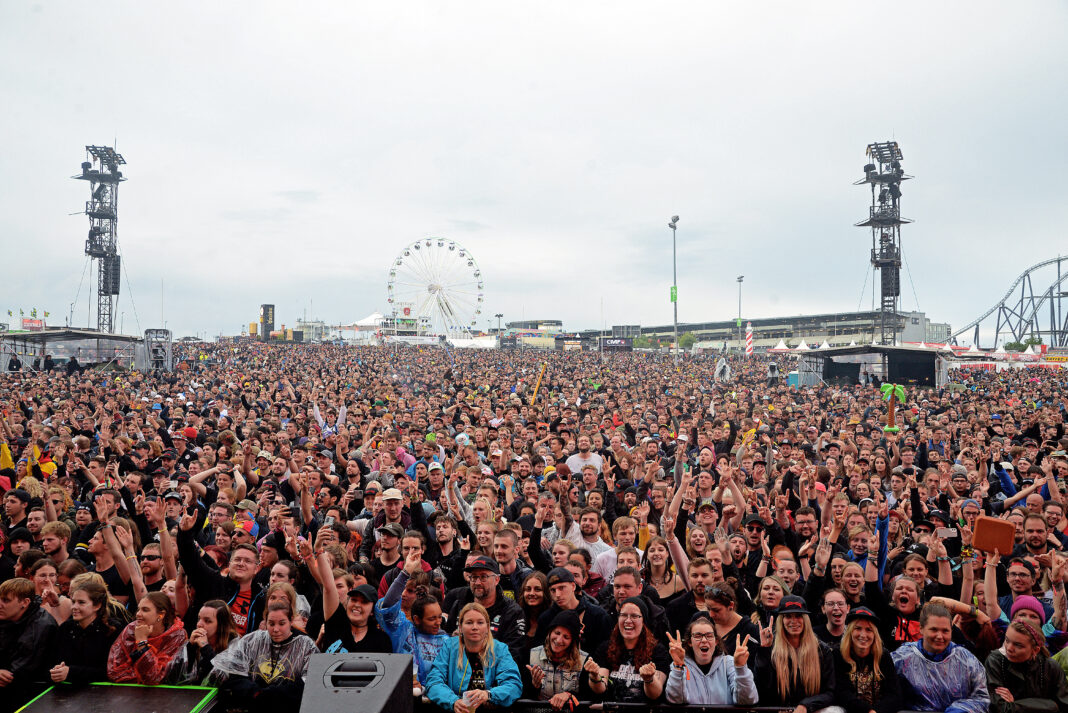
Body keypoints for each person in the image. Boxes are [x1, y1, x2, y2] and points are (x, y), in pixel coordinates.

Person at [210, 601, 319, 713]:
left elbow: (309, 683)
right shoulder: (252, 641)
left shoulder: (306, 646)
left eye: (281, 624)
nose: (276, 629)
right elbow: (233, 674)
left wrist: (271, 694)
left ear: (291, 621)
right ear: (265, 622)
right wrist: (256, 692)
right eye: (271, 624)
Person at [891, 602, 990, 713]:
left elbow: (982, 698)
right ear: (921, 629)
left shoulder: (967, 660)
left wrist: (961, 709)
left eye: (945, 631)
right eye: (934, 629)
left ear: (951, 631)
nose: (939, 636)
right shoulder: (902, 658)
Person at [425, 602, 523, 713]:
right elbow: (433, 682)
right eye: (469, 622)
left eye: (480, 622)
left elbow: (514, 685)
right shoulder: (450, 647)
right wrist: (453, 701)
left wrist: (489, 694)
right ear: (460, 627)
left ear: (487, 627)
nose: (475, 627)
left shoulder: (499, 649)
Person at [751, 595, 838, 713]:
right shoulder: (770, 648)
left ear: (806, 619)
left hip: (809, 710)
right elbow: (761, 689)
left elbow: (829, 693)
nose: (793, 621)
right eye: (788, 616)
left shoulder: (822, 650)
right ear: (781, 620)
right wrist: (764, 650)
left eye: (798, 616)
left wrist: (805, 705)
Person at [375, 549, 449, 686]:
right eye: (432, 619)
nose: (403, 594)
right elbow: (387, 607)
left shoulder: (444, 639)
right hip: (403, 693)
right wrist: (405, 573)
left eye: (410, 591)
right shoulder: (403, 628)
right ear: (416, 619)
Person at [591, 596, 671, 703]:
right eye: (623, 615)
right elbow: (600, 688)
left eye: (634, 616)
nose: (628, 620)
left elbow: (655, 694)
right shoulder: (605, 647)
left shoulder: (657, 650)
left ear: (644, 621)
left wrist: (649, 679)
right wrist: (594, 676)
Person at [665, 613, 757, 705]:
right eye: (698, 636)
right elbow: (675, 700)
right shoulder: (679, 665)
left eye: (709, 636)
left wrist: (741, 668)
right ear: (690, 642)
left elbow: (747, 700)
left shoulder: (729, 663)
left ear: (716, 641)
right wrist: (678, 667)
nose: (704, 640)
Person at [49, 575, 121, 686]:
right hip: (67, 694)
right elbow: (54, 661)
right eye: (73, 602)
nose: (74, 607)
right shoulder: (66, 628)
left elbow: (110, 671)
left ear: (97, 605)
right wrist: (57, 670)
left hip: (103, 694)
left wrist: (71, 672)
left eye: (81, 602)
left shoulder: (112, 630)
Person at [0, 577, 58, 712]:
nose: (0, 604)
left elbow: (18, 671)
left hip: (31, 695)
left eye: (6, 600)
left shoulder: (41, 626)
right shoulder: (6, 617)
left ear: (25, 602)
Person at [985, 620, 1068, 713]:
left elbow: (1063, 707)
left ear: (1035, 650)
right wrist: (1049, 705)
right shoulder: (996, 661)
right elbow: (999, 708)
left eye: (1018, 645)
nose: (1009, 648)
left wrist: (1014, 704)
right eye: (1007, 640)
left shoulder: (1051, 667)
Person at [106, 592, 188, 685]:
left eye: (145, 610)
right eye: (138, 609)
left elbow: (154, 677)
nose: (138, 614)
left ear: (161, 615)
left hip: (164, 695)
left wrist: (142, 642)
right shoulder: (131, 629)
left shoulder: (176, 635)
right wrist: (141, 676)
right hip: (128, 693)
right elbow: (114, 672)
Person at [833, 606, 902, 713]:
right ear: (850, 631)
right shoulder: (839, 654)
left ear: (874, 634)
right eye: (858, 628)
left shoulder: (884, 656)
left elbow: (894, 695)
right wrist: (867, 711)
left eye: (869, 630)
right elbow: (842, 693)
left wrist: (876, 711)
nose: (863, 635)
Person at [524, 609, 595, 709]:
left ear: (572, 641)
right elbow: (523, 697)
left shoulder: (584, 660)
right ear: (550, 632)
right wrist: (534, 686)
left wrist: (568, 695)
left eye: (566, 637)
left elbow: (588, 697)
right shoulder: (531, 655)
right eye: (557, 633)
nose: (558, 640)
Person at [169, 599, 237, 684]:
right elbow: (174, 678)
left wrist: (205, 648)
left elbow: (221, 678)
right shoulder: (193, 643)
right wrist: (190, 648)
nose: (199, 624)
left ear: (221, 625)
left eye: (207, 621)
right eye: (199, 618)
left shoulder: (234, 644)